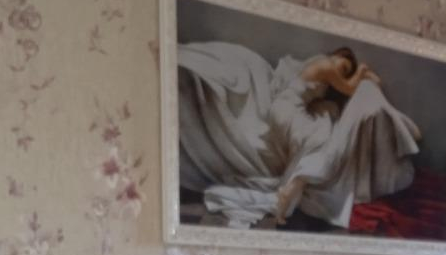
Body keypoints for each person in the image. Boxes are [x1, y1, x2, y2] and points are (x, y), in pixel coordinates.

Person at [176, 41, 422, 230]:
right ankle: (296, 183)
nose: (342, 71)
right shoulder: (326, 65)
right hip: (287, 109)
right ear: (338, 56)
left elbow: (349, 87)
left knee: (320, 133)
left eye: (346, 70)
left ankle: (293, 184)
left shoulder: (318, 66)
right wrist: (363, 72)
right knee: (319, 139)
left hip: (286, 108)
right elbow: (349, 88)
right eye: (344, 66)